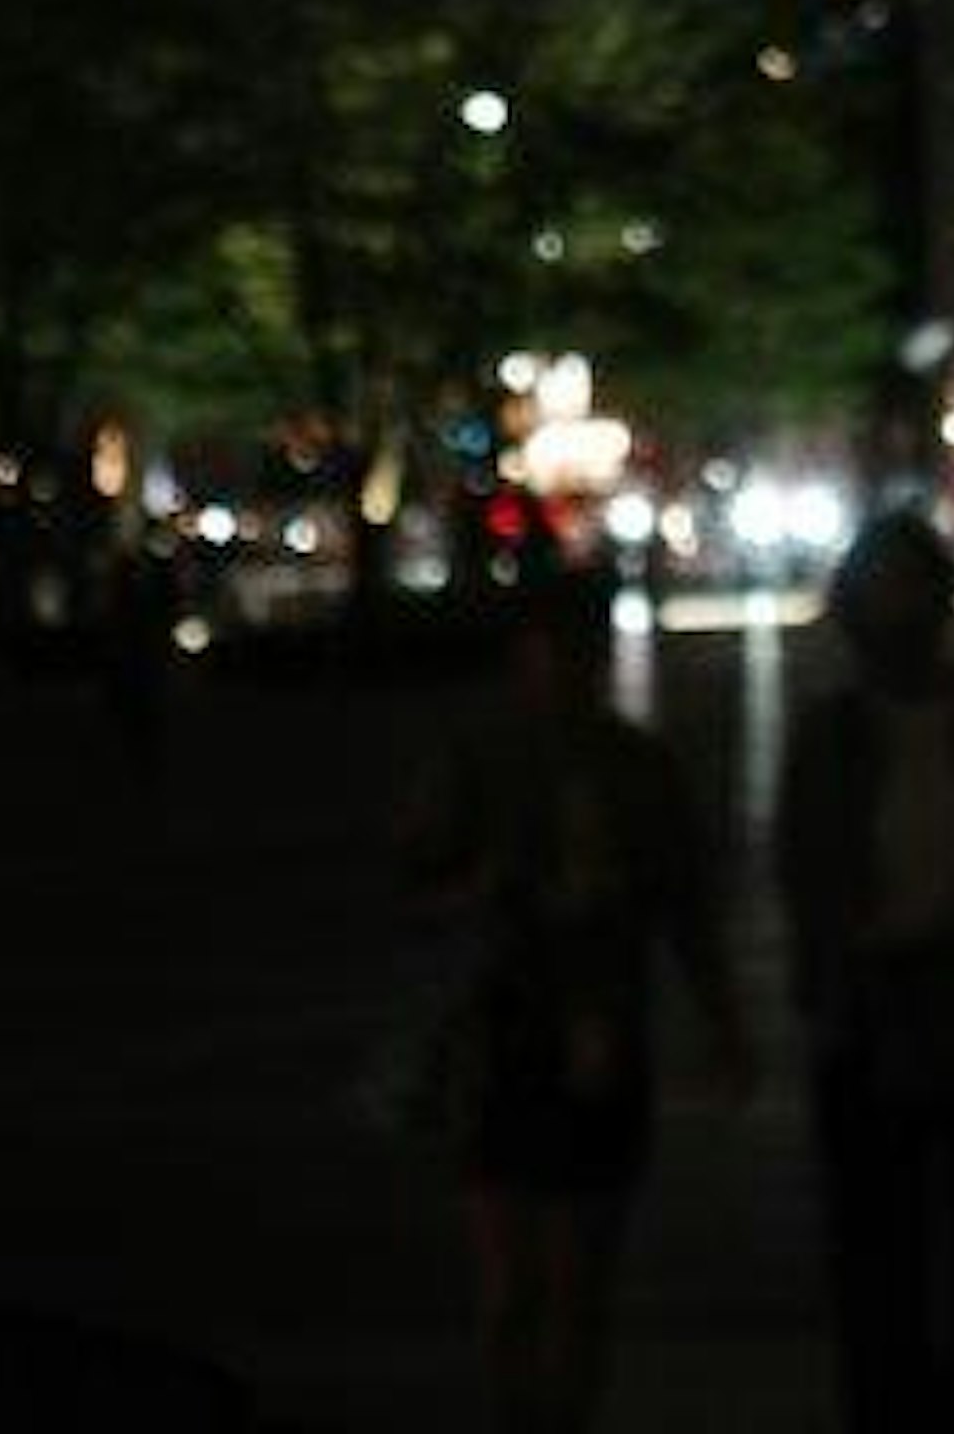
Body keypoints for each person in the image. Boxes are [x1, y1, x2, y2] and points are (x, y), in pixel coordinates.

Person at [399, 562, 751, 1434]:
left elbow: (685, 907)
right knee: (520, 1279)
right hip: (503, 1031)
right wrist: (478, 892)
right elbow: (415, 884)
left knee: (571, 1277)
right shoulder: (482, 758)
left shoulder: (635, 767)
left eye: (578, 645)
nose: (563, 663)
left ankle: (553, 1409)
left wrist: (721, 1020)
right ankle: (529, 1406)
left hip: (596, 1033)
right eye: (551, 644)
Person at [780, 506, 954, 1431]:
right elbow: (805, 871)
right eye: (878, 590)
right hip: (874, 1017)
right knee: (877, 1259)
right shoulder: (832, 736)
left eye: (912, 586)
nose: (897, 611)